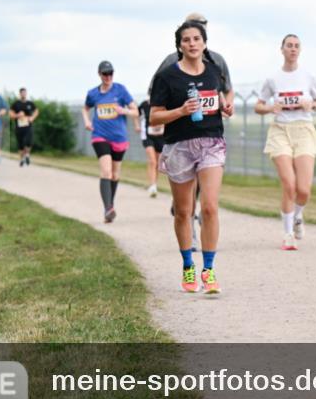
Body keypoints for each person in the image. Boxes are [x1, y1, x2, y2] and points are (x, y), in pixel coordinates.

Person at [150, 20, 232, 295]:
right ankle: (188, 265)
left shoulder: (214, 71)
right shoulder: (167, 77)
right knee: (184, 211)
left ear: (204, 43)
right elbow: (155, 116)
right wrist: (181, 111)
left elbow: (217, 100)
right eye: (187, 40)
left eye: (197, 39)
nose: (192, 43)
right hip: (179, 146)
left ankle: (208, 270)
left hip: (211, 142)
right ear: (180, 45)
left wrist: (225, 106)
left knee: (209, 207)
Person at [255, 34, 316, 250]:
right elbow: (258, 106)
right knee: (289, 184)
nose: (293, 49)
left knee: (303, 189)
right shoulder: (273, 79)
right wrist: (269, 108)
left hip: (303, 130)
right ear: (282, 49)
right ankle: (287, 234)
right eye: (289, 45)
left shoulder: (308, 76)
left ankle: (298, 217)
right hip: (280, 131)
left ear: (300, 50)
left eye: (296, 46)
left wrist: (310, 104)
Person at [82, 61, 137, 222]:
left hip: (119, 138)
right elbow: (85, 108)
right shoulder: (93, 93)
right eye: (105, 74)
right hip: (100, 135)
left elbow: (136, 111)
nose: (108, 77)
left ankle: (110, 204)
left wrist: (124, 110)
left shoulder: (121, 90)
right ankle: (108, 208)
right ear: (99, 74)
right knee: (106, 171)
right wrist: (86, 121)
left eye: (110, 73)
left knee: (115, 174)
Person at [138, 99, 165, 197]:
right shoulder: (144, 104)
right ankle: (152, 186)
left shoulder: (164, 103)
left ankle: (154, 184)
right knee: (152, 161)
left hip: (161, 136)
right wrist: (137, 125)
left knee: (158, 162)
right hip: (147, 135)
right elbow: (136, 113)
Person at [10, 87, 39, 166]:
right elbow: (11, 115)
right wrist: (17, 115)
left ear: (26, 93)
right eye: (22, 93)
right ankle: (22, 159)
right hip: (19, 127)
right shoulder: (16, 104)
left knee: (28, 142)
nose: (23, 94)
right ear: (20, 94)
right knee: (21, 145)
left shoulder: (30, 103)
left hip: (28, 126)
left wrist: (32, 118)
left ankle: (27, 155)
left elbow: (36, 111)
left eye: (25, 93)